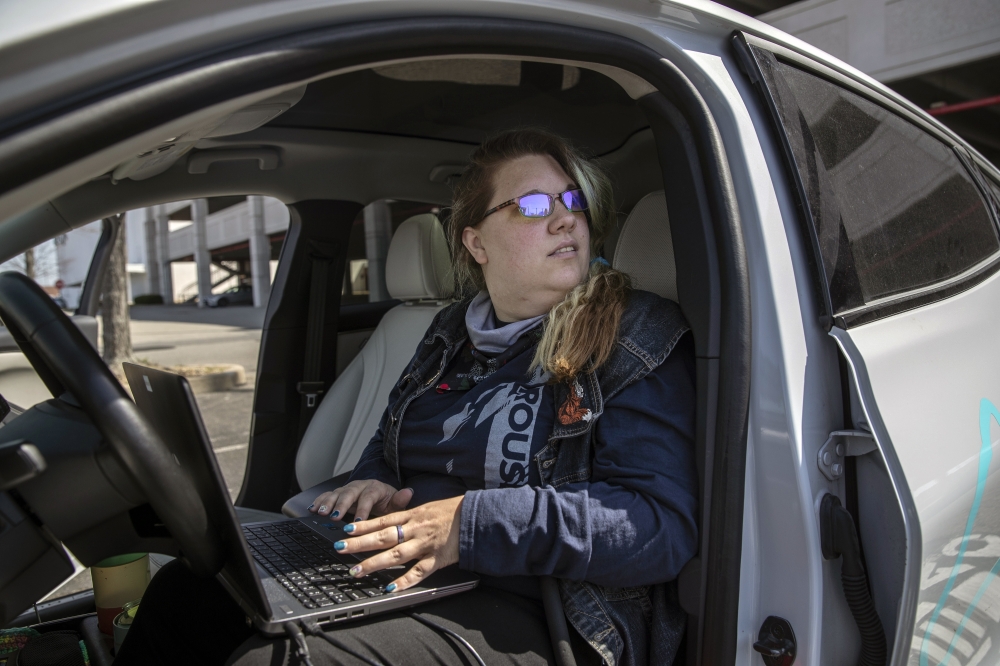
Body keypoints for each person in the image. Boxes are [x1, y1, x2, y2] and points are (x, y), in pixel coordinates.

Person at [116, 129, 698, 666]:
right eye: (534, 206)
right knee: (186, 591)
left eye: (572, 202)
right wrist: (373, 481)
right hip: (410, 565)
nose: (565, 220)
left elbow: (657, 528)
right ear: (476, 242)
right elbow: (388, 448)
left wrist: (468, 524)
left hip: (544, 611)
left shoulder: (632, 332)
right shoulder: (449, 331)